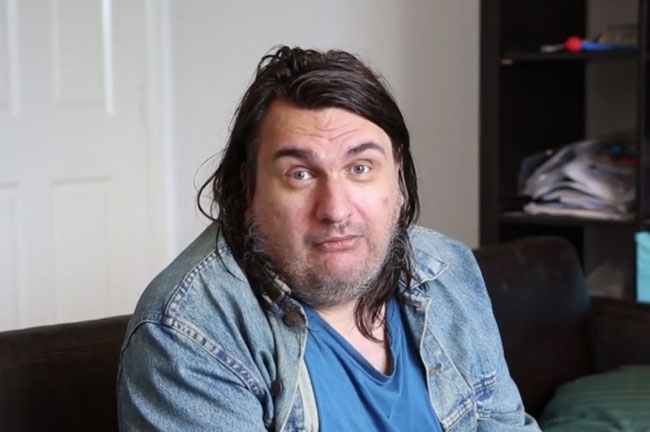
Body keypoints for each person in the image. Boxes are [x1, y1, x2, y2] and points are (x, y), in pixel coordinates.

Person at [117, 46, 540, 431]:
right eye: (300, 174)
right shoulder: (189, 331)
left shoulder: (447, 269)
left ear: (397, 175)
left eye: (360, 168)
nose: (336, 209)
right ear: (249, 188)